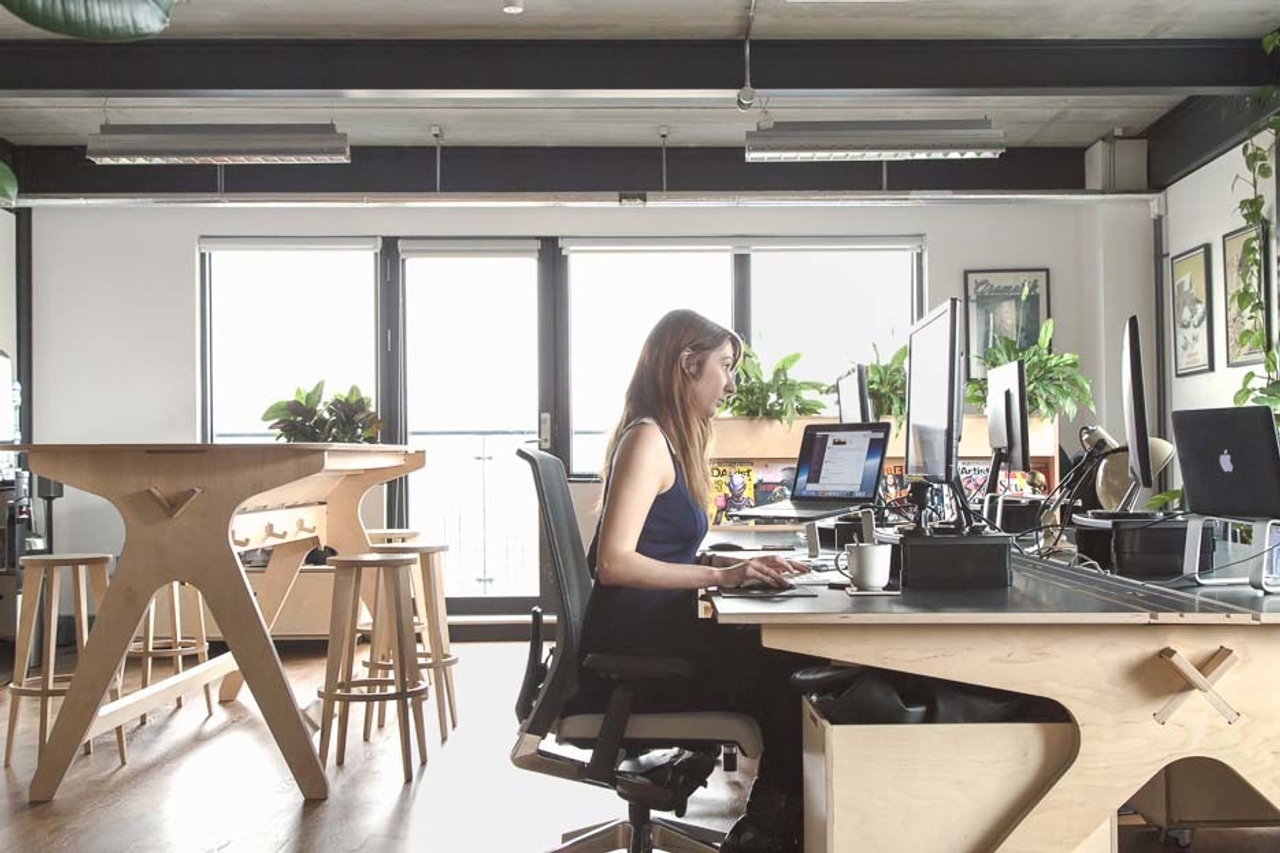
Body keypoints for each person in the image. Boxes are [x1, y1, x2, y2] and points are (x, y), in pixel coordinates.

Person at [572, 308, 815, 853]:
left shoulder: (669, 439)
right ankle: (772, 831)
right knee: (792, 669)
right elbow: (612, 562)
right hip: (631, 656)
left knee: (785, 654)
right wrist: (721, 574)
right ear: (687, 364)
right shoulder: (648, 440)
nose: (730, 383)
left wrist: (732, 568)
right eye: (724, 366)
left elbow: (659, 544)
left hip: (652, 635)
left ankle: (776, 825)